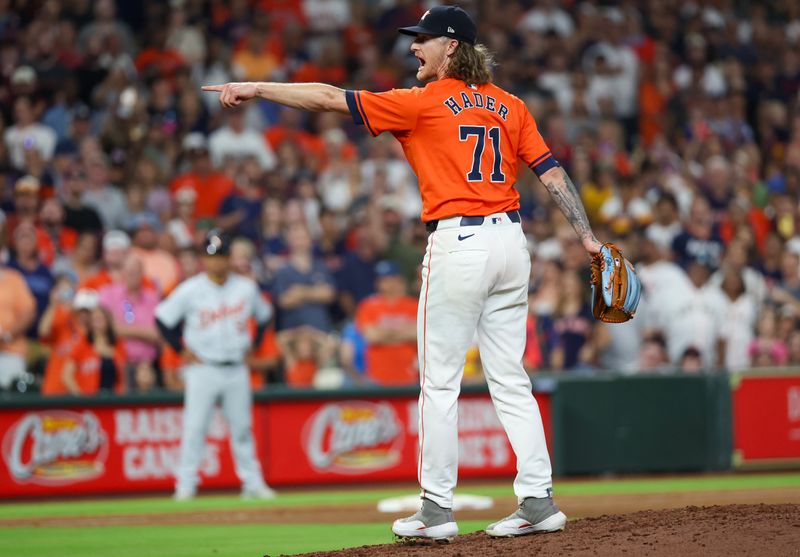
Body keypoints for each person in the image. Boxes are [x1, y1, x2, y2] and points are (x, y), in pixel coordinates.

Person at [202, 5, 605, 539]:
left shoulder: (423, 102)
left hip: (459, 241)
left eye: (425, 39)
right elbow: (551, 173)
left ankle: (436, 510)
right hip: (512, 242)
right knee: (511, 378)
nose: (414, 47)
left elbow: (327, 97)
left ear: (452, 48)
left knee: (439, 382)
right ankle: (538, 498)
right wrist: (587, 236)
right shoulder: (511, 106)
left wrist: (256, 87)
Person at [155, 230, 276, 501]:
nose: (217, 263)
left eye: (221, 257)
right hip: (203, 368)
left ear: (229, 259)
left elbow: (265, 315)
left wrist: (254, 344)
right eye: (211, 257)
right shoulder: (191, 289)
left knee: (242, 427)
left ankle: (252, 483)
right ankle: (185, 485)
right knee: (195, 428)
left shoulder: (246, 287)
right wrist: (180, 350)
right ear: (203, 259)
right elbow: (162, 319)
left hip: (236, 367)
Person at [355, 260, 418, 385]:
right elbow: (372, 336)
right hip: (377, 377)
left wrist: (384, 332)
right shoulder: (368, 306)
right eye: (380, 279)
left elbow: (418, 334)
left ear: (398, 280)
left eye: (388, 279)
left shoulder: (414, 305)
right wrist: (404, 331)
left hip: (409, 375)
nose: (384, 284)